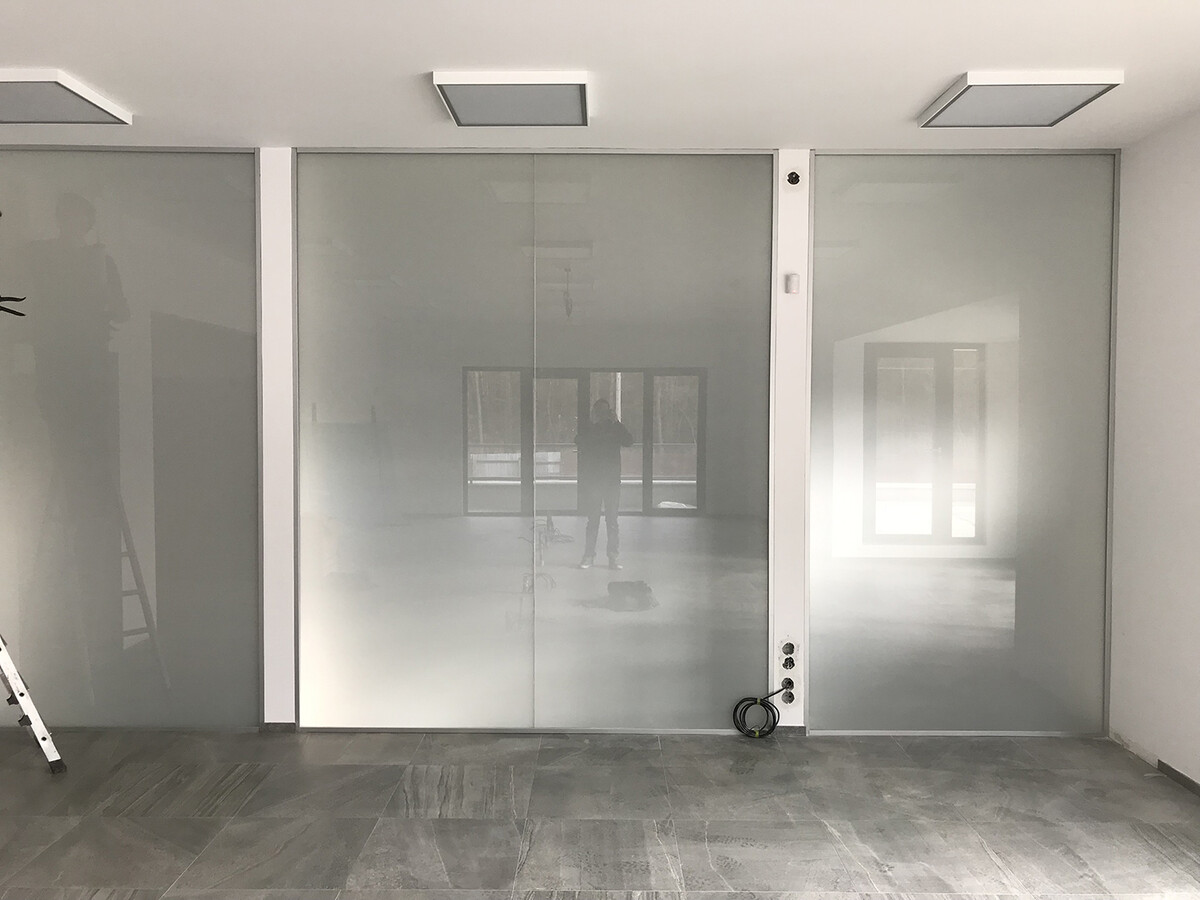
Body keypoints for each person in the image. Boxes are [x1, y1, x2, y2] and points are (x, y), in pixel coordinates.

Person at [575, 398, 633, 569]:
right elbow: (578, 441)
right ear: (595, 412)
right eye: (599, 411)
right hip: (594, 481)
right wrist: (591, 424)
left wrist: (617, 423)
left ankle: (613, 557)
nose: (602, 414)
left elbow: (629, 441)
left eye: (605, 411)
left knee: (612, 521)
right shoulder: (590, 428)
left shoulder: (615, 428)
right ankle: (588, 556)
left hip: (612, 481)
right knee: (593, 520)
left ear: (609, 412)